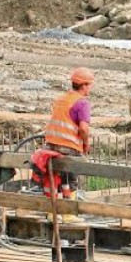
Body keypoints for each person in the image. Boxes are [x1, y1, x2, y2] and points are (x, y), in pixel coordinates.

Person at [42, 67, 94, 223]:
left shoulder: (61, 99)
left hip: (51, 145)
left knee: (55, 178)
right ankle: (68, 214)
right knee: (70, 179)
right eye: (90, 84)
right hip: (68, 146)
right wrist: (85, 144)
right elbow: (83, 128)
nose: (90, 88)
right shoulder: (82, 103)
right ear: (84, 85)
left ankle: (53, 213)